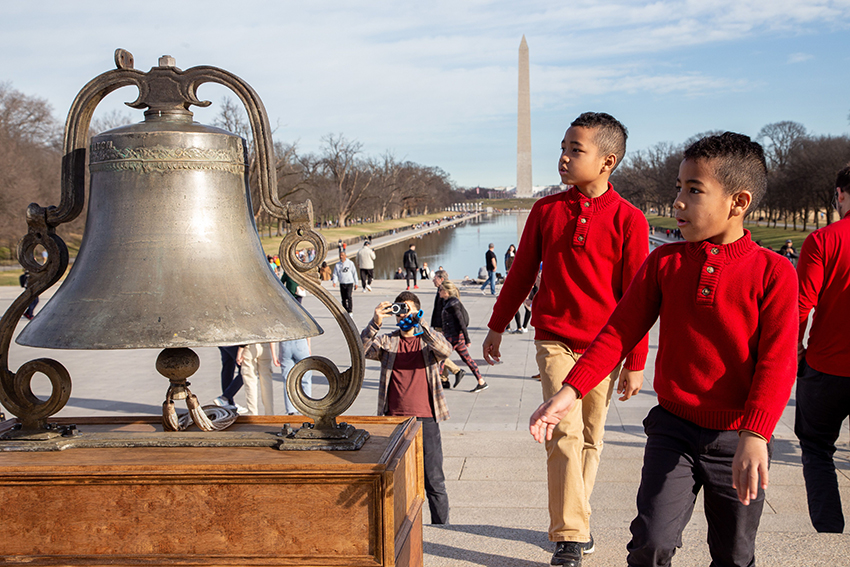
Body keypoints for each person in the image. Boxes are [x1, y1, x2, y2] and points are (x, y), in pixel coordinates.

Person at [529, 132, 798, 567]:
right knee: (650, 543)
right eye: (678, 187)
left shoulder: (774, 272)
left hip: (736, 437)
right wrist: (569, 391)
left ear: (738, 201)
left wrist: (756, 434)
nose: (678, 201)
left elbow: (778, 363)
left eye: (694, 190)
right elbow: (618, 332)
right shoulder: (666, 262)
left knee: (733, 553)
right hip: (673, 430)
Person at [482, 112, 649, 566]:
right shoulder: (546, 211)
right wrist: (498, 323)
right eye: (563, 147)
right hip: (555, 338)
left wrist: (635, 360)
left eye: (576, 150)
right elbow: (520, 274)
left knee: (592, 437)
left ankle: (578, 519)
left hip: (605, 346)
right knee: (563, 432)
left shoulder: (630, 220)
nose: (563, 158)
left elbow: (637, 297)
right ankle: (570, 536)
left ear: (607, 161)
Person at [361, 291, 453, 524]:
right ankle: (398, 528)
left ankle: (441, 528)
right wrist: (375, 322)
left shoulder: (426, 341)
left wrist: (421, 322)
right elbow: (360, 350)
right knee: (396, 479)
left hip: (426, 418)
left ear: (417, 310)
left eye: (407, 309)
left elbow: (446, 350)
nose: (402, 314)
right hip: (395, 420)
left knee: (434, 479)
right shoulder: (388, 341)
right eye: (399, 308)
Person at [795, 164, 850, 533]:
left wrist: (795, 353)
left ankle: (828, 534)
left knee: (816, 449)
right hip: (826, 364)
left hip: (827, 367)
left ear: (840, 194)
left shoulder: (825, 240)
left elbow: (800, 306)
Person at [439, 281, 487, 392]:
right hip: (453, 336)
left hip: (454, 337)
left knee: (441, 358)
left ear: (446, 291)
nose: (439, 291)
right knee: (467, 359)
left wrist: (467, 339)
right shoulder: (449, 302)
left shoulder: (453, 304)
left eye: (441, 289)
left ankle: (433, 385)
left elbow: (461, 322)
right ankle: (481, 381)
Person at [431, 270, 465, 389]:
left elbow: (445, 311)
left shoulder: (444, 292)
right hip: (439, 325)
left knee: (439, 352)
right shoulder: (440, 290)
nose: (433, 280)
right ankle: (444, 379)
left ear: (441, 279)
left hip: (442, 326)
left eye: (434, 278)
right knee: (441, 352)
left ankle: (456, 371)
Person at [237, 342, 279, 415]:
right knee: (267, 383)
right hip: (264, 346)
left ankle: (253, 414)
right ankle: (269, 414)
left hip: (249, 346)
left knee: (250, 382)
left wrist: (240, 350)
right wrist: (274, 354)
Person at [278, 338, 313, 415]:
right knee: (305, 378)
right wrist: (308, 346)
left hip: (285, 343)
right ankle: (307, 407)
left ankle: (291, 410)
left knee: (288, 379)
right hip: (300, 342)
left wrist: (274, 354)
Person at [213, 346, 247, 414]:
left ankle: (228, 403)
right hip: (232, 341)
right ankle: (225, 397)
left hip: (222, 341)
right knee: (245, 370)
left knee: (228, 367)